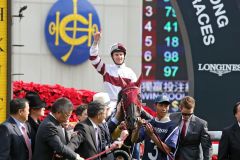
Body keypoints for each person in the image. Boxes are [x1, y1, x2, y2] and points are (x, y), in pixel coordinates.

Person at [89, 31, 137, 113]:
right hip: (109, 104)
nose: (119, 57)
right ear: (113, 56)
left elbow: (135, 92)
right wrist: (95, 42)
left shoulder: (130, 73)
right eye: (116, 54)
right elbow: (93, 58)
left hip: (126, 104)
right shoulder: (106, 69)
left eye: (121, 54)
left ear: (124, 56)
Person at [131, 95, 179, 160]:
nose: (164, 108)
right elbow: (134, 140)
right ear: (155, 106)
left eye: (166, 106)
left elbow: (167, 150)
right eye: (161, 105)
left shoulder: (173, 127)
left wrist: (152, 135)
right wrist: (138, 128)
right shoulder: (148, 123)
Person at [169, 96, 212, 160]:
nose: (187, 116)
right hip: (174, 157)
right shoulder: (172, 117)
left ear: (193, 109)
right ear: (180, 108)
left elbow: (207, 147)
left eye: (190, 114)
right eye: (184, 114)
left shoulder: (201, 124)